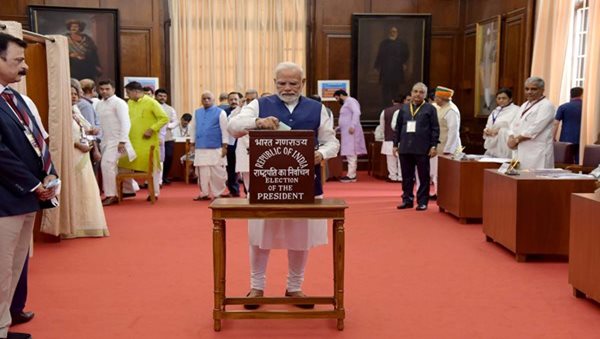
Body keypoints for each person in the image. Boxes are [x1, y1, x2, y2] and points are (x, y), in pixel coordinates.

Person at [228, 61, 339, 309]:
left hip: (304, 183)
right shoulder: (259, 105)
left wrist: (321, 154)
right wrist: (256, 122)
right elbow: (233, 127)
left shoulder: (318, 108)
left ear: (302, 84)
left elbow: (332, 142)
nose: (287, 88)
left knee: (300, 236)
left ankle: (295, 287)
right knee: (260, 235)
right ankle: (256, 288)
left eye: (293, 83)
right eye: (282, 83)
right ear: (274, 83)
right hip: (266, 183)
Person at [1, 32, 59, 339]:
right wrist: (34, 183)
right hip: (5, 198)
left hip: (26, 197)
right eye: (18, 59)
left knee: (14, 265)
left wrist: (50, 175)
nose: (24, 66)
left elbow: (38, 141)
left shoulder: (16, 98)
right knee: (1, 269)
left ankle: (6, 324)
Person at [65, 84, 109, 238]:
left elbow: (86, 128)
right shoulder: (62, 113)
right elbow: (60, 136)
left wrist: (92, 131)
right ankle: (74, 225)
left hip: (83, 152)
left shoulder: (76, 110)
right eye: (70, 94)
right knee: (77, 187)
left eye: (75, 93)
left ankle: (88, 223)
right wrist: (77, 144)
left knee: (87, 187)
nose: (74, 96)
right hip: (72, 154)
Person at [393, 82, 440, 211]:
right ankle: (407, 199)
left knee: (423, 176)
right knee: (406, 176)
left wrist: (434, 146)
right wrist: (395, 144)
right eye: (415, 91)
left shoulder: (430, 109)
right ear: (411, 93)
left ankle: (422, 201)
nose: (417, 94)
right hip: (405, 147)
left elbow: (435, 129)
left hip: (422, 147)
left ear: (425, 95)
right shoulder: (404, 108)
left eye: (421, 92)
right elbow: (398, 127)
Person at [118, 81, 168, 201]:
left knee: (152, 168)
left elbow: (164, 118)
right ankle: (128, 191)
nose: (127, 95)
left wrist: (152, 129)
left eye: (128, 92)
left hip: (147, 142)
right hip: (131, 141)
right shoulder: (129, 102)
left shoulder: (151, 102)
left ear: (136, 92)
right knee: (123, 165)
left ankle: (154, 193)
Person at [96, 80, 135, 206]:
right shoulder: (99, 104)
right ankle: (124, 191)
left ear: (113, 89)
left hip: (118, 141)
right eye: (101, 89)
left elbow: (126, 123)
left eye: (107, 89)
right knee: (109, 167)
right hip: (105, 140)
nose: (104, 91)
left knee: (106, 165)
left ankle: (111, 195)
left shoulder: (119, 103)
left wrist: (122, 141)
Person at [507, 77, 556, 170]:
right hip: (521, 149)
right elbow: (514, 123)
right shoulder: (525, 105)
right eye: (527, 89)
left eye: (534, 89)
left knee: (536, 180)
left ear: (542, 90)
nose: (529, 92)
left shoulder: (546, 105)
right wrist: (510, 137)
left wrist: (516, 140)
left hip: (537, 151)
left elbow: (536, 127)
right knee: (520, 178)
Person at [191, 91, 229, 200]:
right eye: (204, 99)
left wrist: (225, 146)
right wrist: (192, 144)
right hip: (200, 147)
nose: (206, 100)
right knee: (202, 172)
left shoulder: (220, 112)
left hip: (216, 147)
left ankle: (218, 193)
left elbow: (224, 130)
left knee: (217, 172)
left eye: (209, 98)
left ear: (213, 100)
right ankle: (204, 193)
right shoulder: (196, 112)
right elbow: (193, 128)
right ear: (201, 100)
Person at [430, 86, 461, 198]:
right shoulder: (441, 107)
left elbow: (453, 132)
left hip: (448, 149)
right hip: (439, 145)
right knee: (436, 172)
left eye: (436, 97)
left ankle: (445, 195)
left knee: (444, 173)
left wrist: (448, 150)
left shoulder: (451, 110)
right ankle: (438, 193)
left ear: (441, 98)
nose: (434, 99)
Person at [333, 90, 367, 183]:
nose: (337, 100)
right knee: (349, 152)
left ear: (340, 95)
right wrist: (337, 128)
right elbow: (345, 118)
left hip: (351, 131)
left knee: (351, 152)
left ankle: (351, 175)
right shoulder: (347, 103)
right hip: (347, 132)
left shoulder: (351, 101)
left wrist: (353, 125)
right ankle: (351, 174)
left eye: (336, 98)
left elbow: (357, 113)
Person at [374, 26, 410, 107]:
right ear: (389, 32)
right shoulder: (384, 43)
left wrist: (403, 63)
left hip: (397, 69)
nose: (393, 33)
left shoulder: (402, 43)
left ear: (397, 33)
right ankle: (385, 104)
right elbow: (379, 55)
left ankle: (395, 104)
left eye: (395, 31)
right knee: (385, 88)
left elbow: (406, 54)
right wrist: (377, 66)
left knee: (395, 88)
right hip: (385, 69)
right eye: (391, 31)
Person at [483, 88, 519, 158]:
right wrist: (487, 130)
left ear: (510, 99)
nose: (501, 100)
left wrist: (499, 131)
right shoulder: (495, 111)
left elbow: (515, 128)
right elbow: (489, 125)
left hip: (505, 144)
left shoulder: (516, 110)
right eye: (498, 98)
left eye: (504, 98)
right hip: (493, 143)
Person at [154, 89, 178, 185]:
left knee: (168, 156)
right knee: (155, 158)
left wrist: (167, 126)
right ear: (156, 96)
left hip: (168, 137)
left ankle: (164, 177)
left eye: (164, 96)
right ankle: (154, 179)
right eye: (160, 96)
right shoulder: (152, 107)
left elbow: (175, 121)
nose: (162, 98)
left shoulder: (170, 109)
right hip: (154, 137)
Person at [554, 87, 583, 163]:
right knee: (578, 161)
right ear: (582, 94)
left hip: (566, 137)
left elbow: (555, 123)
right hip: (581, 137)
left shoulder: (563, 107)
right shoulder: (584, 107)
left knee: (565, 161)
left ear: (570, 95)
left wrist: (553, 137)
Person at [379, 97, 403, 182]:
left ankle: (393, 176)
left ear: (393, 101)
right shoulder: (406, 110)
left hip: (389, 138)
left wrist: (383, 135)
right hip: (403, 139)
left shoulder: (385, 111)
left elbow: (382, 126)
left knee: (390, 159)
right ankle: (401, 177)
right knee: (402, 159)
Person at [224, 92, 243, 197]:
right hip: (230, 144)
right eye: (231, 99)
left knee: (245, 168)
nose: (233, 101)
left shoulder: (244, 111)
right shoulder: (224, 112)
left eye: (235, 99)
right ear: (228, 101)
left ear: (239, 100)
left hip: (243, 144)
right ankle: (234, 191)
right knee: (231, 169)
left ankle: (248, 192)